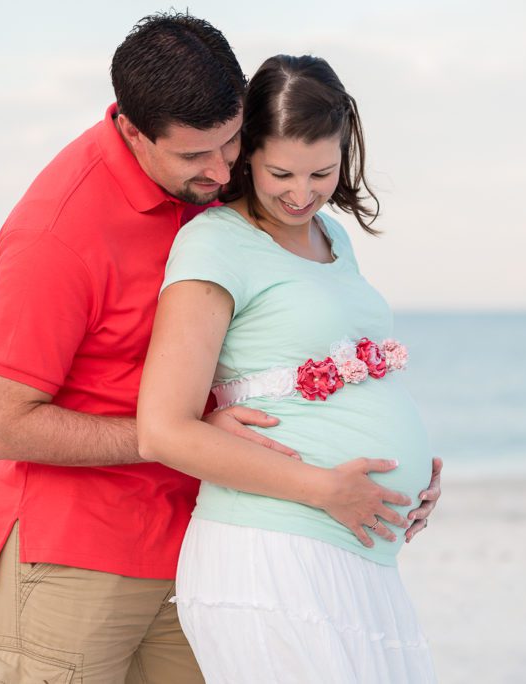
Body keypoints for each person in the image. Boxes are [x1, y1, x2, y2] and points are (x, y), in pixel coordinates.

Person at [0, 12, 441, 684]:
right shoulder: (58, 232)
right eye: (196, 156)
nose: (223, 171)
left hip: (191, 541)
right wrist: (173, 432)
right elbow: (1, 422)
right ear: (133, 130)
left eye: (231, 144)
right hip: (72, 557)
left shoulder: (221, 190)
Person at [137, 54, 440, 682]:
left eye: (321, 173)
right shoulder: (216, 242)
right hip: (273, 551)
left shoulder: (336, 238)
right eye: (281, 173)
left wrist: (412, 482)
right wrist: (328, 489)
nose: (301, 195)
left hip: (355, 558)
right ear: (246, 154)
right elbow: (162, 429)